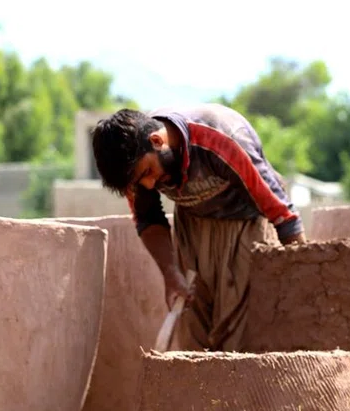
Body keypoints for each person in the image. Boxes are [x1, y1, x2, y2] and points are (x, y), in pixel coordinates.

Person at [92, 104, 306, 351]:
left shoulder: (222, 137)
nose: (149, 185)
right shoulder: (135, 167)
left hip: (245, 225)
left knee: (239, 338)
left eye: (149, 172)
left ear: (157, 140)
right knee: (193, 330)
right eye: (141, 181)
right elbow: (148, 220)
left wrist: (301, 276)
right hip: (191, 227)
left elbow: (283, 214)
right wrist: (171, 273)